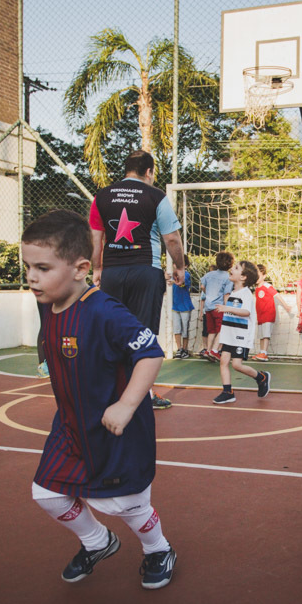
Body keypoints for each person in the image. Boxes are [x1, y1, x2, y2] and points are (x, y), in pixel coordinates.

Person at [20, 209, 178, 589]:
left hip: (117, 431)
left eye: (42, 267)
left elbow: (151, 352)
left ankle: (158, 549)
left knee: (126, 504)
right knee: (46, 492)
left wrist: (125, 405)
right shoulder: (48, 302)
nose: (31, 276)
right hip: (72, 426)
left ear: (80, 268)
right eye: (27, 266)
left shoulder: (105, 311)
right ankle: (98, 541)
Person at [89, 149, 185, 410]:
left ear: (126, 169)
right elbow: (172, 239)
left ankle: (112, 391)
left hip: (112, 271)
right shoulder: (156, 196)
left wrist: (97, 269)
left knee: (112, 332)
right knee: (144, 334)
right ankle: (145, 394)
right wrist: (180, 266)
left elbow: (96, 238)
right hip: (146, 271)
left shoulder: (101, 196)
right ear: (149, 172)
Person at [213, 260, 273, 404]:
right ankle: (227, 391)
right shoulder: (233, 292)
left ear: (243, 277)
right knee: (223, 362)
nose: (232, 269)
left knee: (237, 365)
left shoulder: (246, 293)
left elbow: (245, 312)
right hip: (229, 335)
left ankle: (261, 377)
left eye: (236, 268)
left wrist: (227, 308)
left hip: (240, 336)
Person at [199, 251, 234, 363]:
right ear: (230, 264)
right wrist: (227, 308)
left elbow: (202, 286)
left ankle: (208, 350)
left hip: (208, 307)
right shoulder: (228, 278)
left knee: (212, 331)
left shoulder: (209, 274)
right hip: (219, 307)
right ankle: (215, 350)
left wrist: (208, 292)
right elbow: (226, 294)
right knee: (223, 329)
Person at [253, 264, 278, 361]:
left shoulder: (267, 286)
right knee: (261, 335)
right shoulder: (256, 288)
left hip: (268, 315)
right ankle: (261, 352)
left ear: (263, 276)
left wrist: (287, 306)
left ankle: (265, 353)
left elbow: (277, 295)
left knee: (266, 334)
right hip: (260, 316)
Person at [168, 268, 195, 359]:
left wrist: (173, 281)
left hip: (185, 306)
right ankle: (179, 349)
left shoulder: (186, 275)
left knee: (185, 329)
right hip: (175, 306)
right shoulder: (172, 274)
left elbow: (182, 284)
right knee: (176, 328)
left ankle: (185, 349)